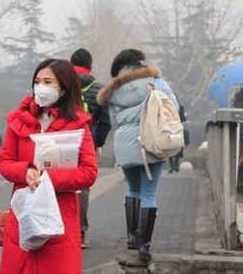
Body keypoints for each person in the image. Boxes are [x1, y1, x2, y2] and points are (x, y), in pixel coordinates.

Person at [0, 59, 98, 274]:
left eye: (47, 82)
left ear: (63, 87)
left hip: (61, 214)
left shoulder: (78, 123)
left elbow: (88, 172)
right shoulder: (19, 120)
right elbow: (4, 162)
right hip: (24, 212)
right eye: (37, 81)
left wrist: (48, 178)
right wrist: (25, 171)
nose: (40, 87)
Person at [97, 49, 178, 262]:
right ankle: (144, 245)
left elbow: (114, 123)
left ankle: (132, 237)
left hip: (125, 144)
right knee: (149, 195)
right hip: (152, 141)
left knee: (133, 188)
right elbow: (173, 108)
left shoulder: (114, 89)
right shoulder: (157, 82)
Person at [70, 48, 112, 249]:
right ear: (90, 67)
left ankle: (59, 231)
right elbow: (106, 122)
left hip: (63, 141)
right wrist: (98, 142)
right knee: (82, 186)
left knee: (59, 183)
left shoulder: (62, 85)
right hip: (87, 143)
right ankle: (79, 234)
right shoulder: (100, 89)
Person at [168, 100, 187, 173]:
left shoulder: (167, 106)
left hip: (170, 128)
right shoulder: (180, 107)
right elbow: (184, 118)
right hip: (178, 128)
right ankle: (175, 165)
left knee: (170, 146)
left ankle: (172, 165)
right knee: (177, 146)